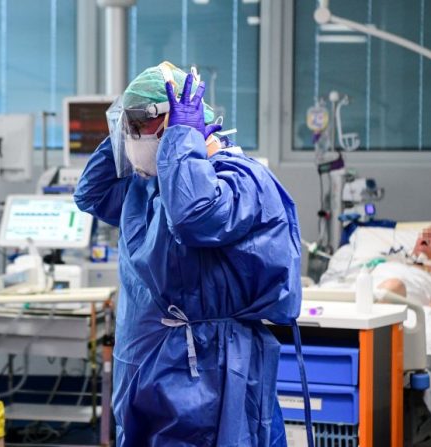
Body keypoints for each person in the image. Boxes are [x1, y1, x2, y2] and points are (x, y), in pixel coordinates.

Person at [74, 62, 302, 446]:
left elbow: (196, 217)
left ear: (170, 121)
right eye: (124, 126)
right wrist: (126, 132)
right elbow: (90, 194)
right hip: (149, 366)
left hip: (205, 373)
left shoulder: (239, 177)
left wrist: (182, 137)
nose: (130, 136)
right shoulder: (148, 186)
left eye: (135, 125)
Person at [375, 223, 431, 315]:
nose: (426, 235)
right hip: (366, 293)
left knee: (394, 286)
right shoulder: (394, 261)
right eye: (423, 233)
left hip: (391, 305)